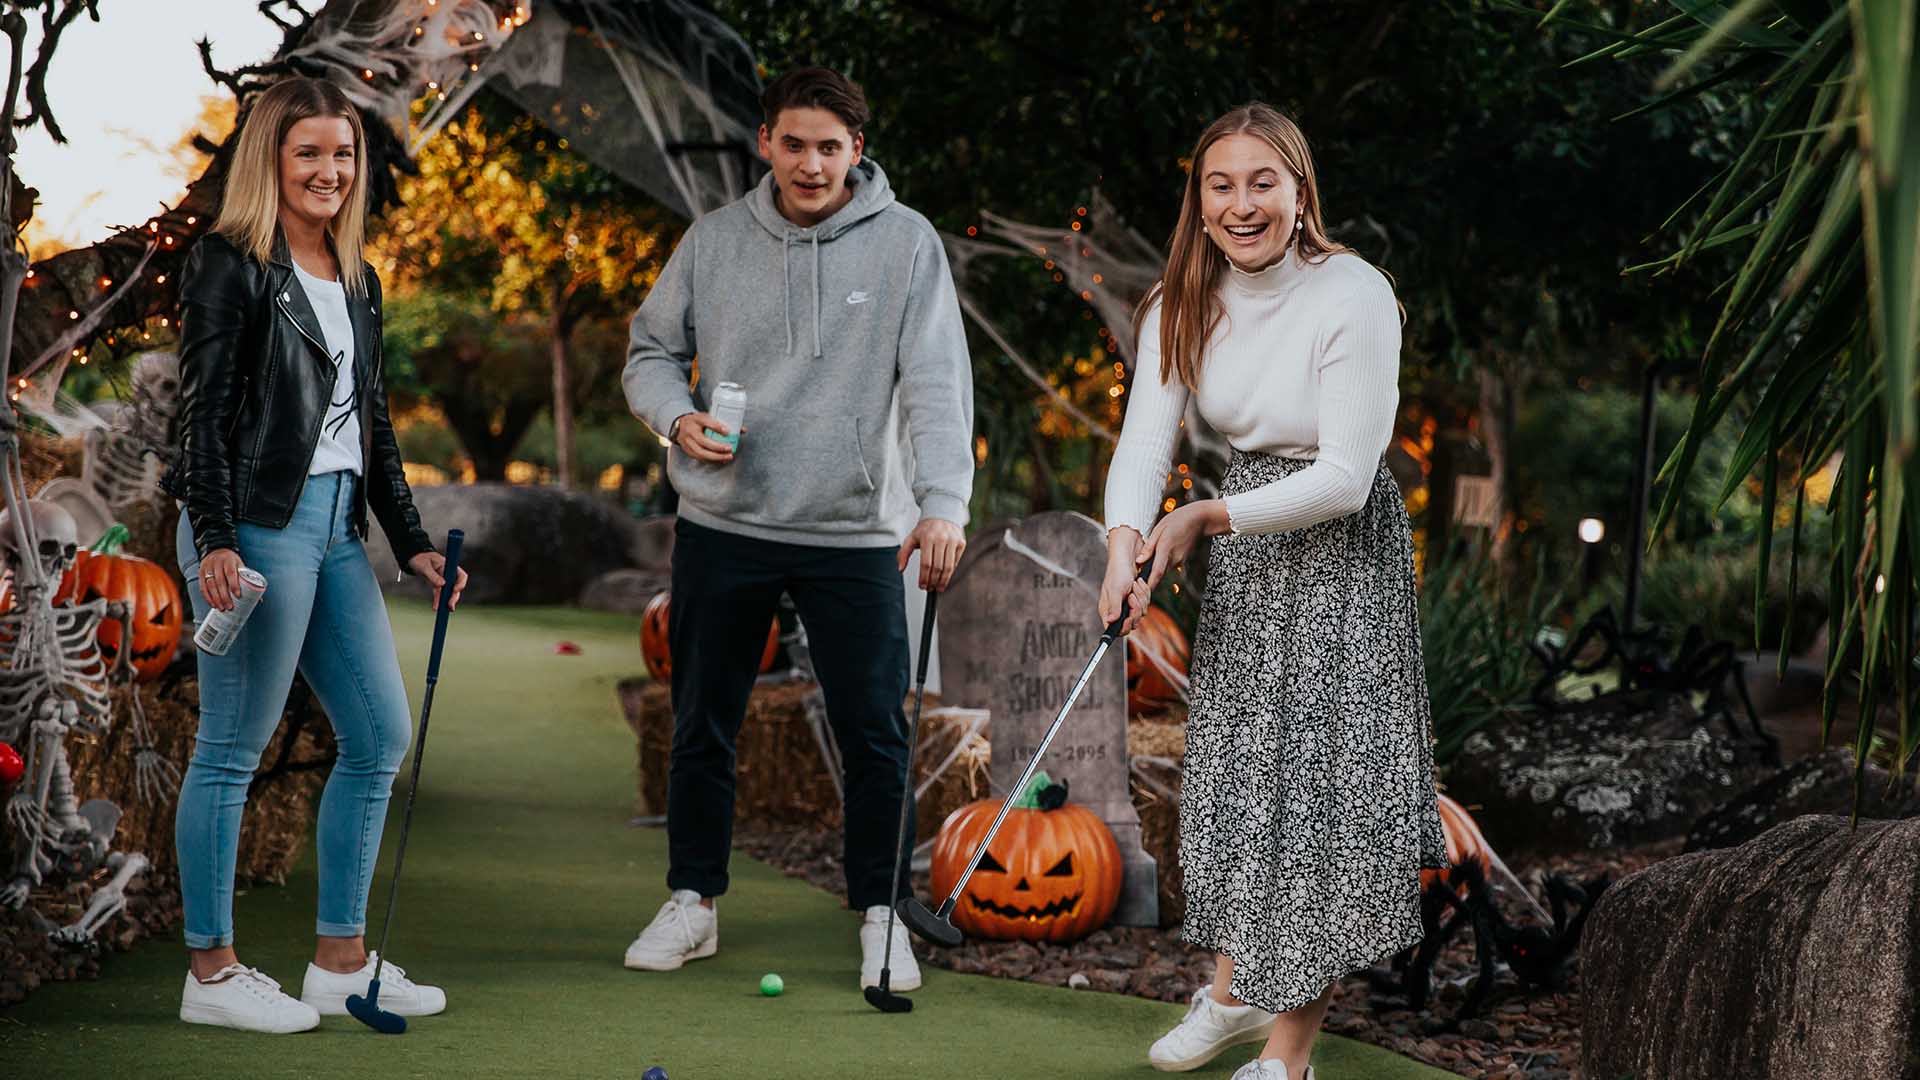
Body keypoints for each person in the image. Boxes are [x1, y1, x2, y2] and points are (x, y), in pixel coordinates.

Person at [1099, 103, 1446, 1080]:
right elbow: (1142, 445)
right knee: (1239, 785)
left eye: (1263, 183)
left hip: (1338, 550)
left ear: (1300, 195)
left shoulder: (1355, 293)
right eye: (1221, 184)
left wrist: (1202, 519)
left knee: (1315, 801)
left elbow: (1344, 473)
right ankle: (1232, 992)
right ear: (1198, 199)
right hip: (1251, 549)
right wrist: (1122, 548)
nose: (1241, 204)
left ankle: (1289, 1059)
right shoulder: (1179, 302)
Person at [620, 66, 974, 992]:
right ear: (765, 142)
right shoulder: (713, 240)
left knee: (874, 734)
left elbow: (938, 382)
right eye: (794, 143)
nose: (811, 163)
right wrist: (673, 416)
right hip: (723, 522)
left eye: (829, 147)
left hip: (855, 531)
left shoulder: (907, 245)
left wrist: (944, 504)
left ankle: (881, 915)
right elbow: (650, 351)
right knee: (703, 722)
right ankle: (693, 902)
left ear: (857, 150)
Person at [166, 75, 468, 1034]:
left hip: (337, 531)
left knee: (379, 736)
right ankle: (210, 975)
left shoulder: (357, 274)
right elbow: (201, 418)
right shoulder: (229, 263)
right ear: (272, 160)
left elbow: (369, 427)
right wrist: (213, 538)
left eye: (343, 154)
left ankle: (340, 962)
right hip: (253, 525)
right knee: (230, 750)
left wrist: (411, 543)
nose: (330, 170)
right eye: (309, 154)